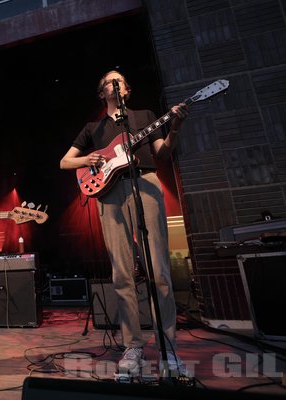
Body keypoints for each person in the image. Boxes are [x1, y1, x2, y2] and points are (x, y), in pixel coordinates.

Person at [60, 70, 189, 377]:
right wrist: (88, 160)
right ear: (102, 92)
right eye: (108, 81)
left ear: (126, 89)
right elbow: (65, 161)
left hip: (145, 183)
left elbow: (163, 152)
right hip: (109, 194)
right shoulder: (93, 128)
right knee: (122, 273)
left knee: (159, 270)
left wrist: (176, 126)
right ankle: (133, 345)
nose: (114, 83)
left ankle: (168, 347)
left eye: (119, 80)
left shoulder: (144, 115)